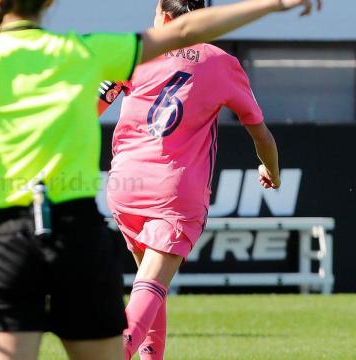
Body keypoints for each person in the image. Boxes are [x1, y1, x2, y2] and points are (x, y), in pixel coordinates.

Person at [0, 0, 320, 359]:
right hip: (107, 216)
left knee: (148, 291)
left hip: (37, 221)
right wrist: (275, 4)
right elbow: (189, 38)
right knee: (146, 294)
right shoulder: (84, 50)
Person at [98, 1, 300, 358]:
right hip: (173, 191)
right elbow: (261, 136)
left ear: (163, 16)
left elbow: (91, 105)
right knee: (151, 287)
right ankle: (114, 353)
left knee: (150, 286)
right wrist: (271, 169)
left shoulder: (135, 50)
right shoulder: (221, 63)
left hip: (124, 185)